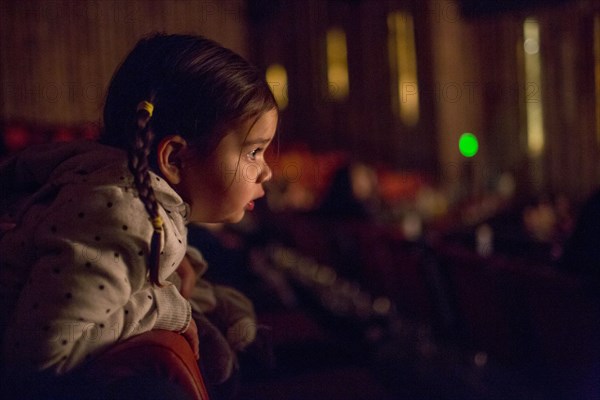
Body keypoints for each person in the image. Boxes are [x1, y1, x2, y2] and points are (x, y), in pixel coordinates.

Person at [0, 33, 277, 396]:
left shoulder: (131, 200)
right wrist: (168, 309)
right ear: (175, 159)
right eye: (254, 152)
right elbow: (41, 356)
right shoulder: (121, 212)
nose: (267, 171)